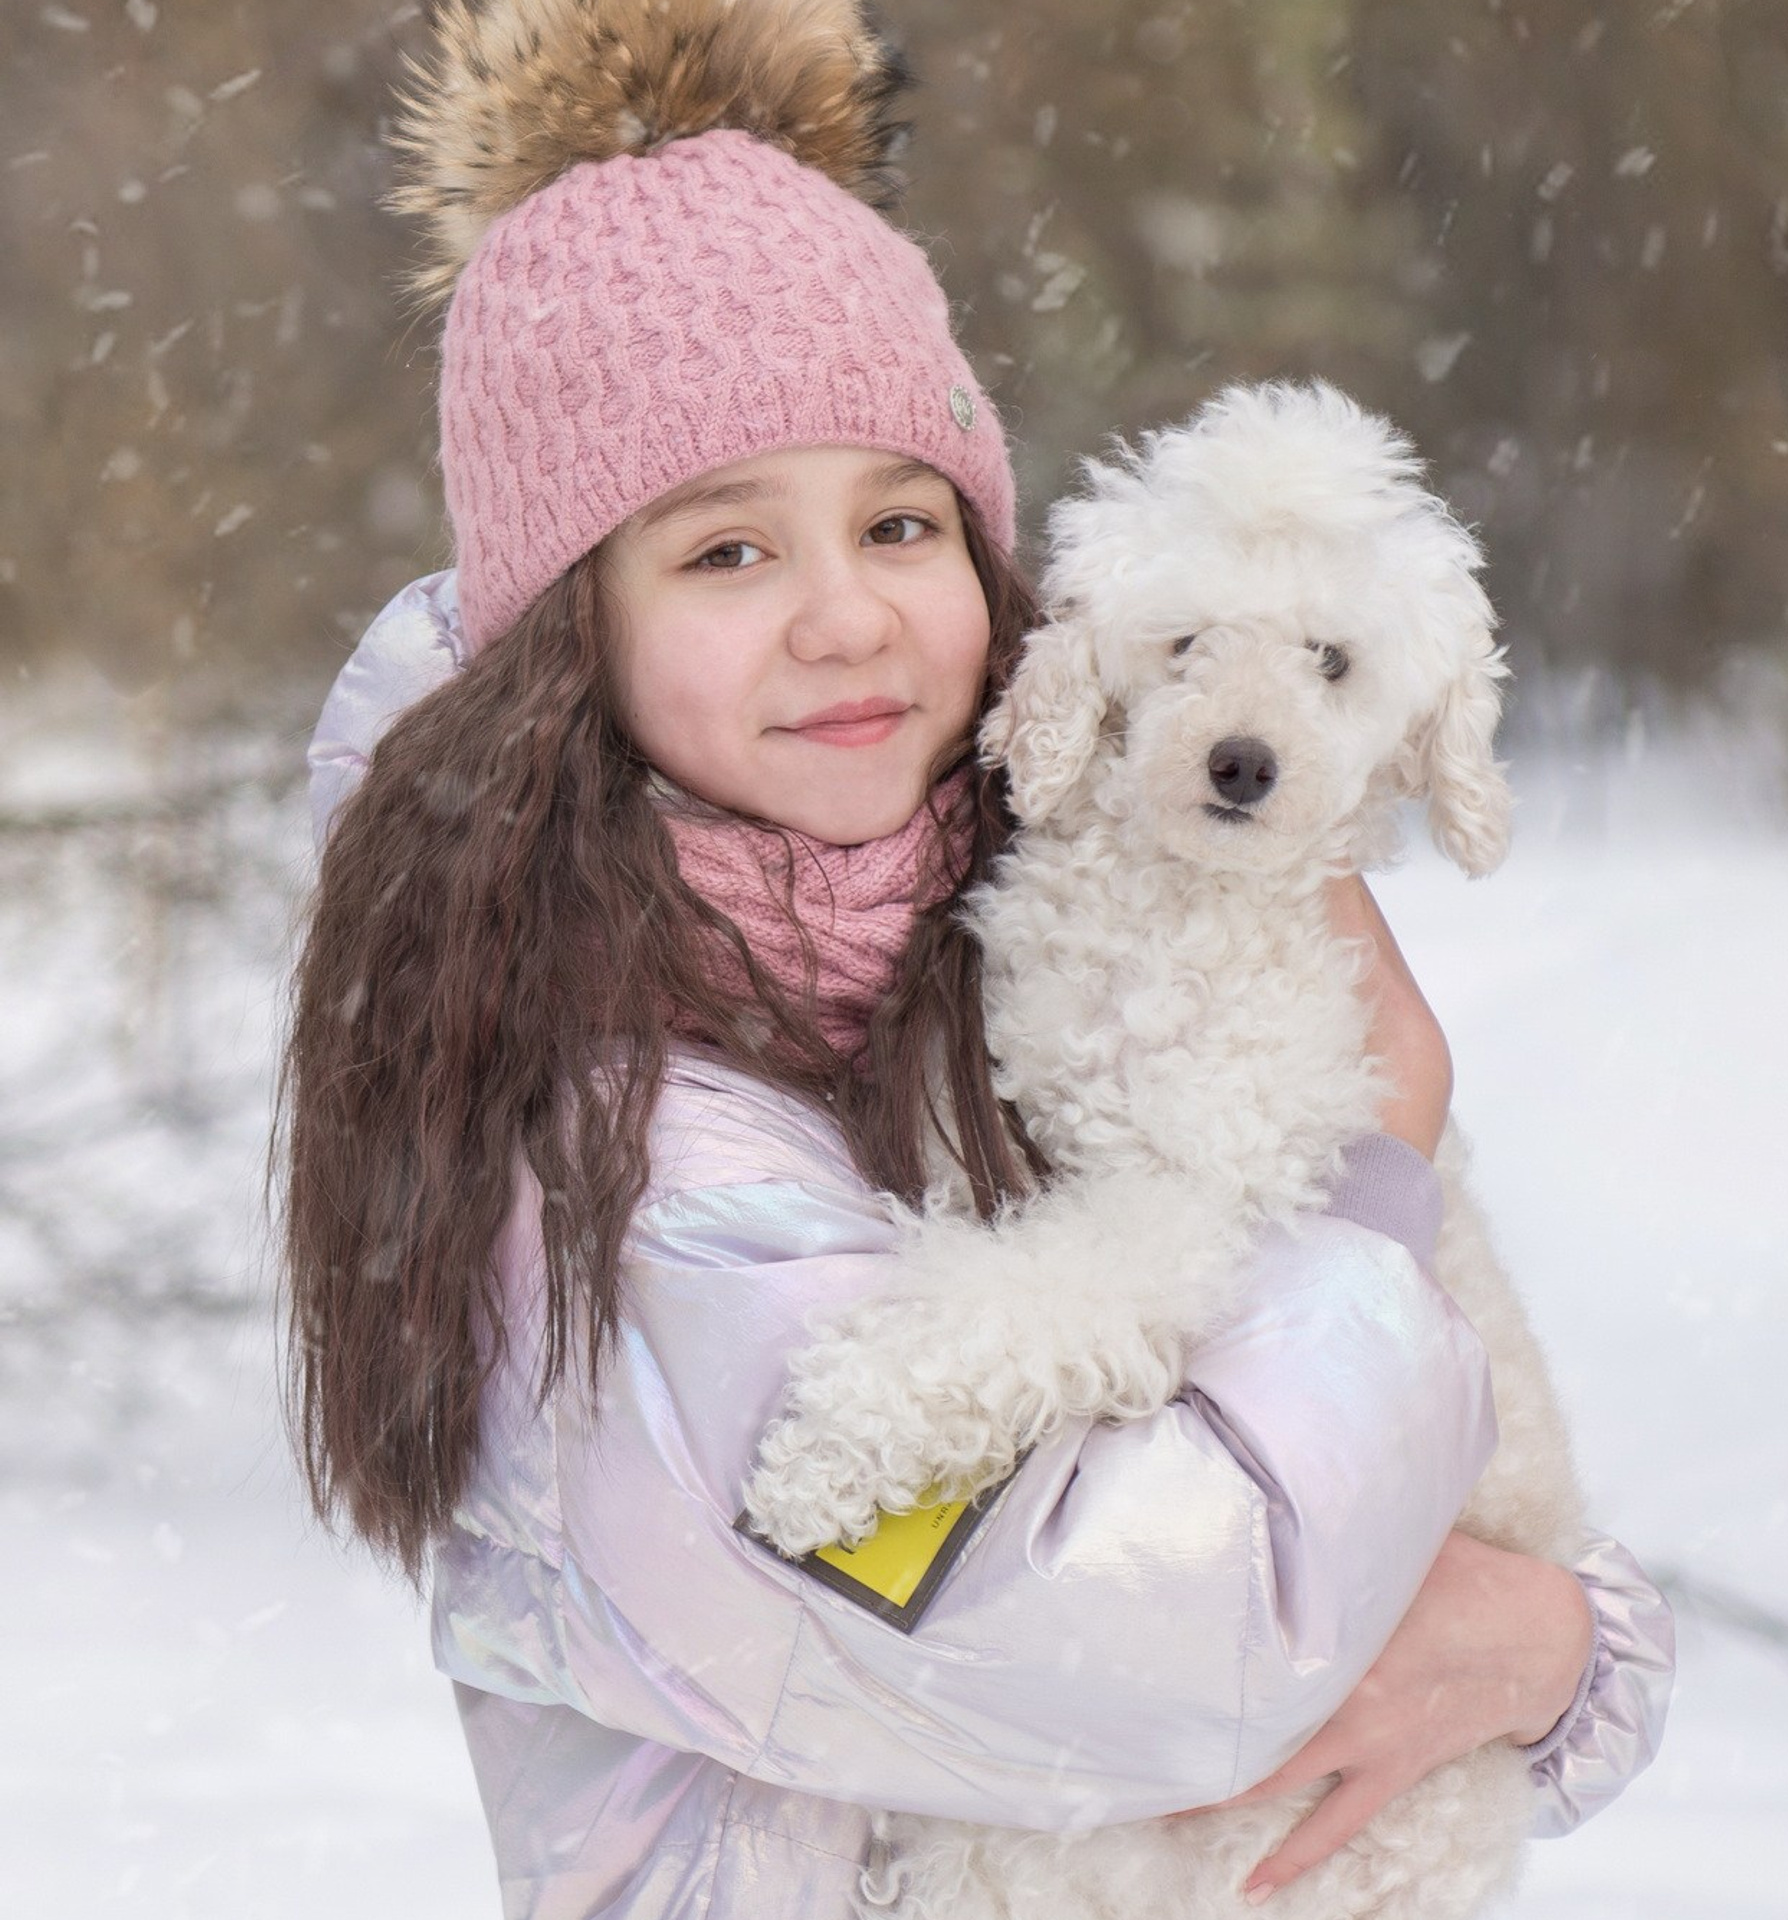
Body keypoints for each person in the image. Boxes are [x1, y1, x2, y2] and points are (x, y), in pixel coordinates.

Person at [279, 3, 1674, 1915]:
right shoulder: (599, 1137)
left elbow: (1503, 1598)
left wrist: (1550, 1646)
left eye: (900, 521)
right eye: (724, 554)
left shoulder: (999, 942)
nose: (849, 616)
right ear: (564, 642)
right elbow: (1156, 1648)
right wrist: (1376, 1167)